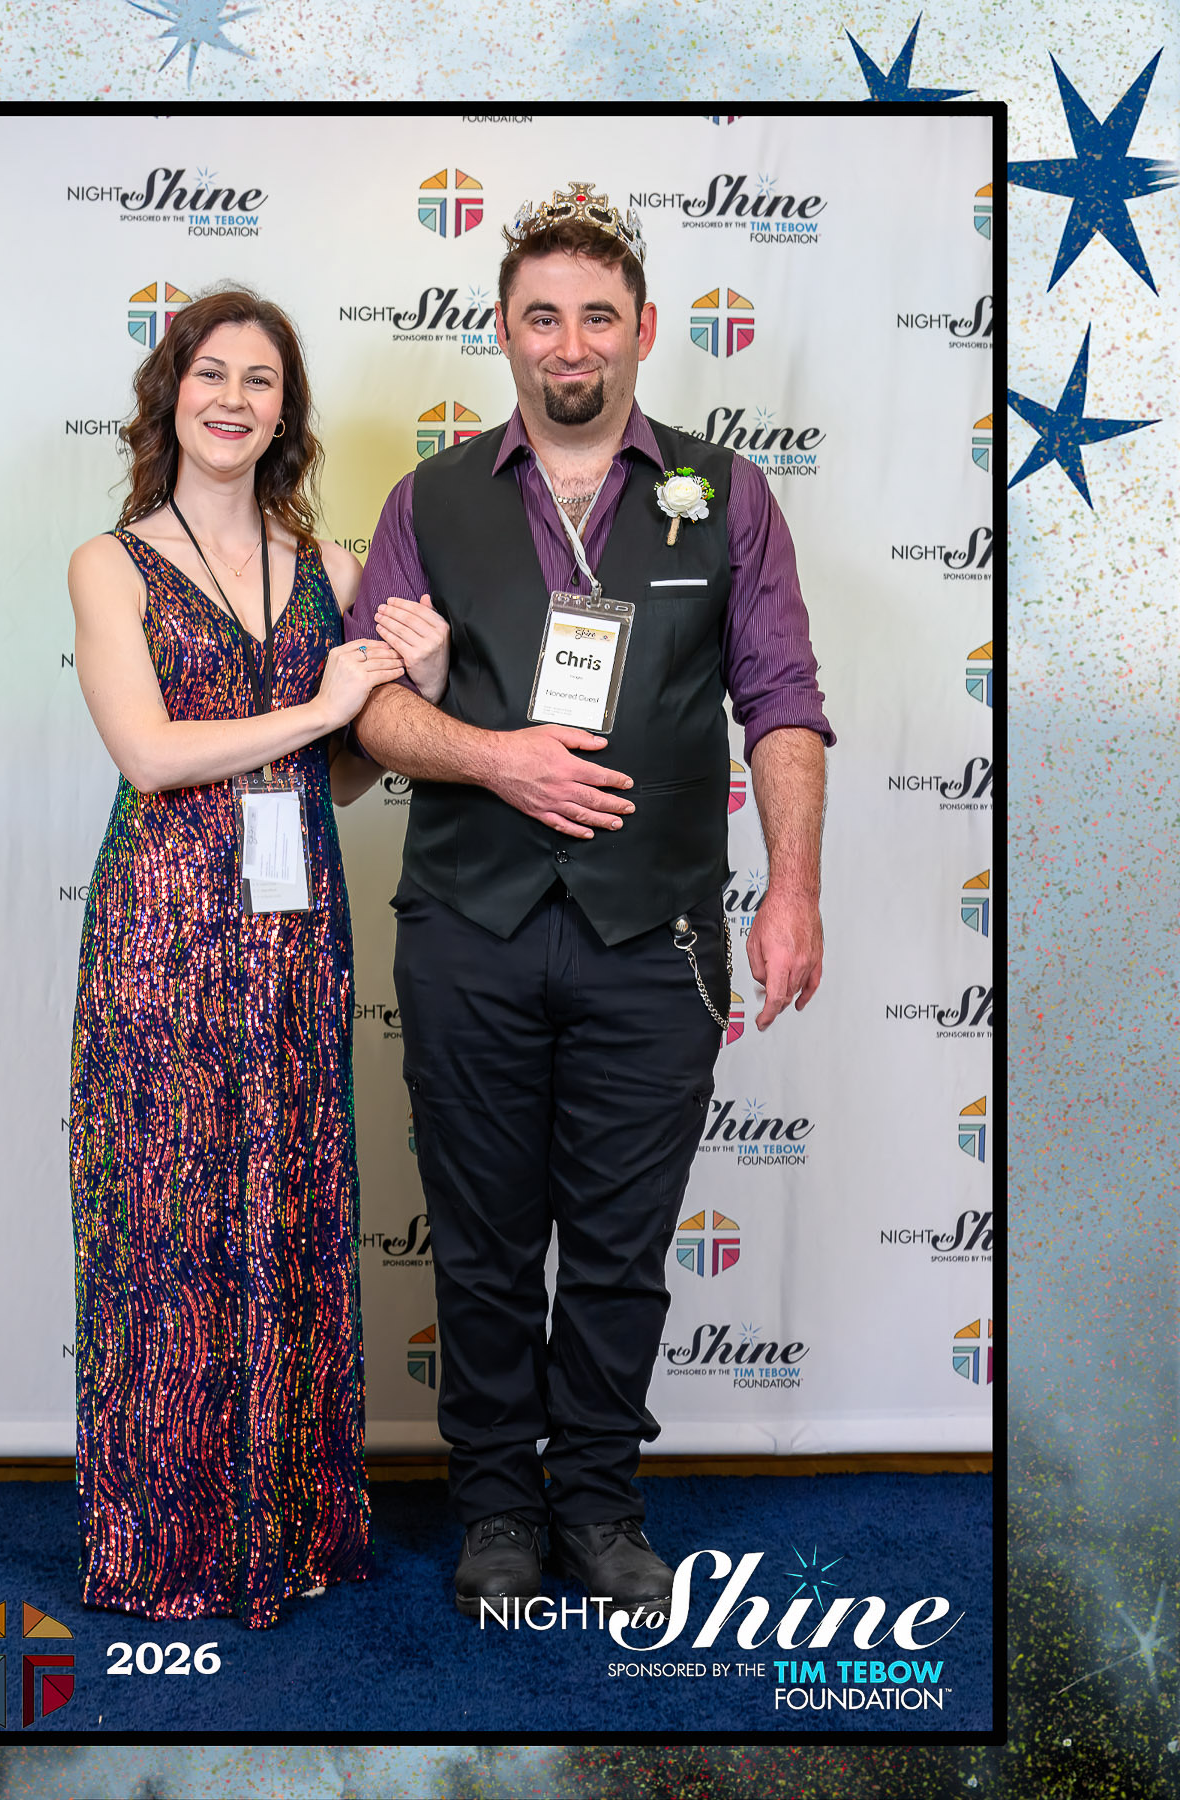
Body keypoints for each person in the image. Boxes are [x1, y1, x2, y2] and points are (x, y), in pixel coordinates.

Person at [351, 184, 835, 1619]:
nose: (573, 343)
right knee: (484, 1242)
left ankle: (602, 1502)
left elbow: (783, 701)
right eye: (544, 317)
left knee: (622, 1249)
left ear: (644, 330)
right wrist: (494, 755)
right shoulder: (428, 500)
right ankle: (499, 1506)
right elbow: (371, 710)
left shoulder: (727, 492)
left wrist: (793, 888)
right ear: (504, 331)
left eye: (599, 317)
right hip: (468, 926)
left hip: (656, 934)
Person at [65, 288, 448, 1629]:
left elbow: (335, 776)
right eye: (212, 373)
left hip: (295, 934)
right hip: (163, 934)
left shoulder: (330, 562)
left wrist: (413, 690)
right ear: (170, 393)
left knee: (288, 1209)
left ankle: (290, 1529)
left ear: (287, 412)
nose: (234, 399)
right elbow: (149, 753)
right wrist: (323, 699)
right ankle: (166, 1548)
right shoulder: (111, 563)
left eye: (262, 381)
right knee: (167, 1225)